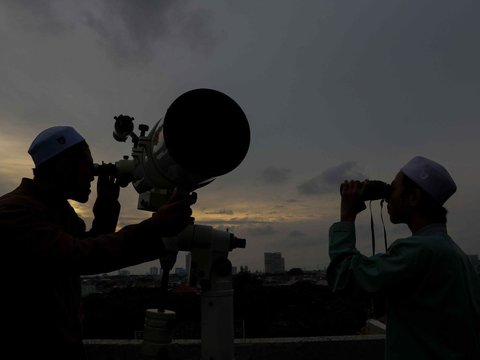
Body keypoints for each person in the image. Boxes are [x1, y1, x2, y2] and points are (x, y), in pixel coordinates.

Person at [0, 126, 197, 359]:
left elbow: (91, 246)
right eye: (88, 165)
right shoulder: (14, 211)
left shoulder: (51, 209)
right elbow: (82, 256)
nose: (92, 175)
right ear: (64, 168)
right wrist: (156, 227)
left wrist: (106, 204)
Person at [327, 155, 480, 359]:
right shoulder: (454, 252)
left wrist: (346, 218)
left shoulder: (418, 250)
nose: (388, 196)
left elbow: (346, 279)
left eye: (393, 189)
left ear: (413, 197)